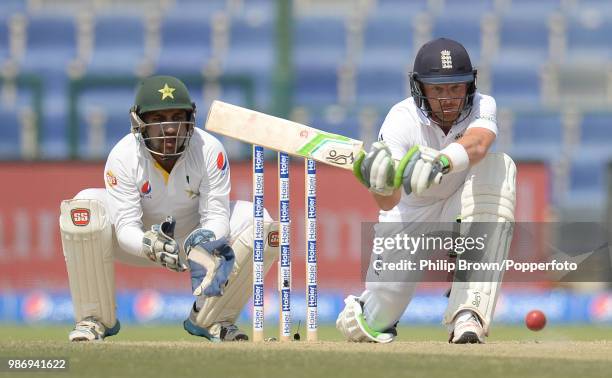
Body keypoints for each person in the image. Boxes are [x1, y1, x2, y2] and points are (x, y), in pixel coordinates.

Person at [59, 75, 278, 342]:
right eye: (158, 119)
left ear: (190, 118)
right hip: (139, 242)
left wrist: (204, 239)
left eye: (177, 117)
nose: (170, 128)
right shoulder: (122, 156)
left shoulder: (209, 149)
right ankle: (93, 319)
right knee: (84, 206)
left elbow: (217, 215)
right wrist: (148, 244)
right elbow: (127, 226)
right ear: (139, 124)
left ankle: (212, 318)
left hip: (195, 245)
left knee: (260, 221)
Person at [337, 38, 516, 343]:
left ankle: (467, 313)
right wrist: (380, 184)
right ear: (420, 88)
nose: (448, 99)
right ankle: (367, 309)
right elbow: (387, 201)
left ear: (469, 85)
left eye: (455, 88)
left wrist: (441, 161)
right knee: (376, 321)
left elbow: (479, 143)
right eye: (438, 90)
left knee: (500, 168)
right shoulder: (401, 119)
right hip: (409, 216)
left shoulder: (484, 104)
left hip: (460, 202)